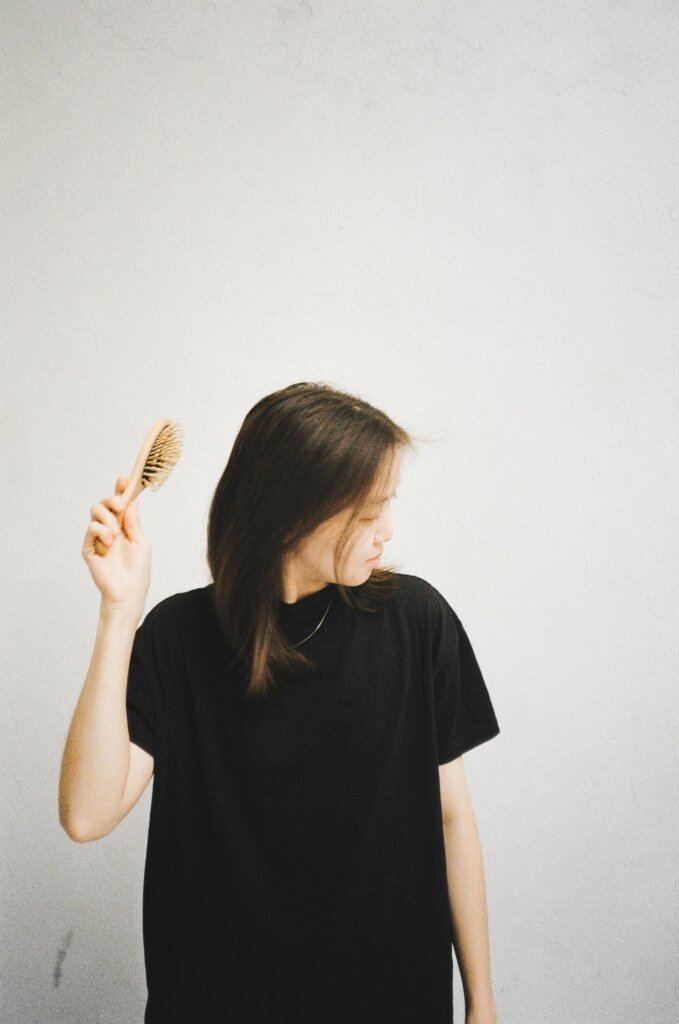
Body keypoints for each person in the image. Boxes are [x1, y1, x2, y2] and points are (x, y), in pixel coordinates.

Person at [59, 381, 501, 1024]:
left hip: (391, 1000)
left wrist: (481, 1001)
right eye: (369, 512)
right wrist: (118, 611)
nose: (387, 531)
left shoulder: (417, 621)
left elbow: (452, 816)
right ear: (296, 512)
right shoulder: (177, 637)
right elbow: (86, 815)